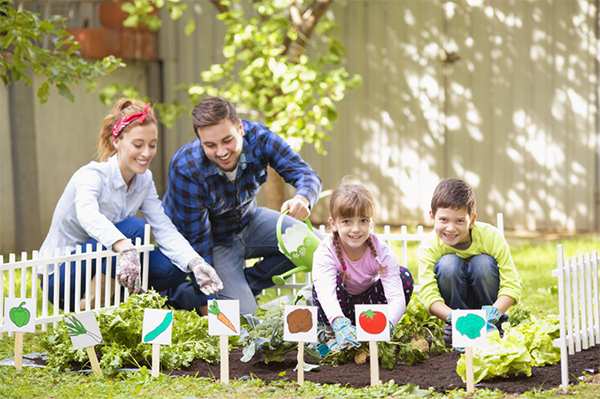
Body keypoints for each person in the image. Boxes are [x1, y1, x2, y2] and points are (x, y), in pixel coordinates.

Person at [39, 98, 222, 314]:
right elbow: (87, 215)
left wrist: (194, 262)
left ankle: (115, 306)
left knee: (174, 267)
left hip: (102, 267)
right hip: (63, 278)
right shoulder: (91, 176)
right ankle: (91, 313)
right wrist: (124, 247)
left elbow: (162, 227)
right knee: (135, 227)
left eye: (152, 145)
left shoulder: (144, 180)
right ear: (116, 141)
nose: (146, 153)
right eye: (138, 145)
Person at [162, 96, 323, 315]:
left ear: (240, 128)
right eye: (210, 145)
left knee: (319, 248)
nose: (221, 151)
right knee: (243, 316)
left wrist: (303, 198)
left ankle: (246, 283)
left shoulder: (261, 139)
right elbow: (197, 239)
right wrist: (206, 301)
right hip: (213, 240)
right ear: (200, 140)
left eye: (227, 140)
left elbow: (306, 174)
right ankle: (182, 293)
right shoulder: (186, 168)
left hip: (250, 220)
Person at [312, 177, 414, 351]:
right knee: (320, 287)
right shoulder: (325, 251)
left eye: (363, 221)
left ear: (372, 221)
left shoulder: (382, 252)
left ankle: (371, 333)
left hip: (366, 307)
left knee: (404, 276)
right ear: (333, 224)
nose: (356, 229)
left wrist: (387, 323)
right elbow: (326, 293)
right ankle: (332, 335)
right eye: (347, 221)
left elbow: (396, 296)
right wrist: (338, 321)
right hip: (338, 306)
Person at [417, 178, 522, 338]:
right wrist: (454, 318)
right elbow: (428, 295)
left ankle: (495, 325)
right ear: (432, 217)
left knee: (482, 263)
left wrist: (493, 314)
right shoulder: (430, 246)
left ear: (472, 220)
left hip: (490, 311)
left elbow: (512, 285)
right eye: (444, 219)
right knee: (448, 264)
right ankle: (456, 329)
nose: (450, 228)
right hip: (455, 313)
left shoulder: (491, 237)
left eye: (460, 221)